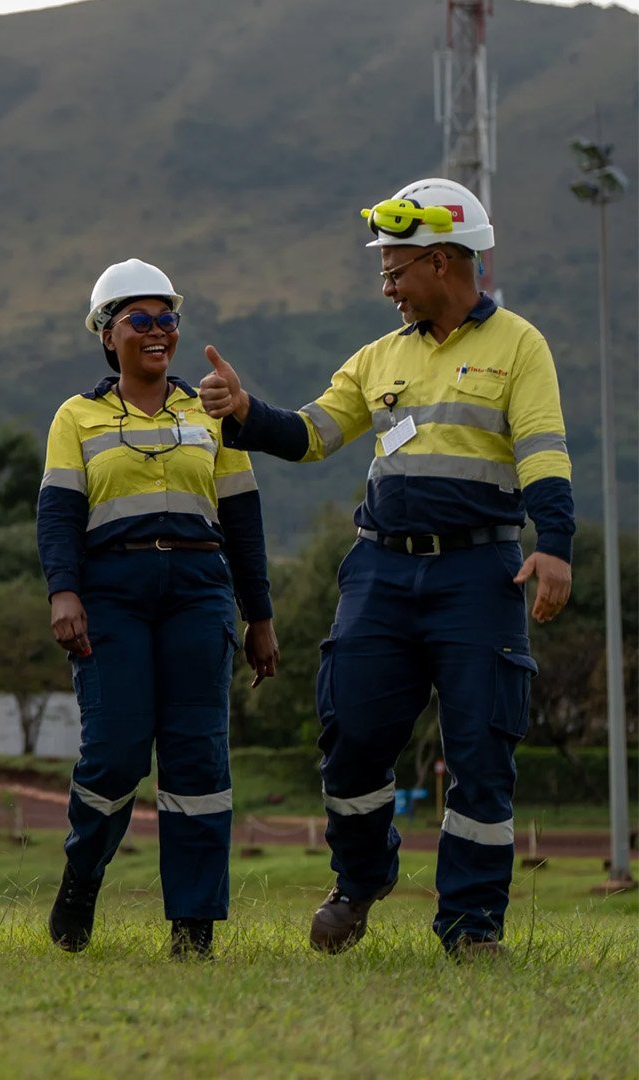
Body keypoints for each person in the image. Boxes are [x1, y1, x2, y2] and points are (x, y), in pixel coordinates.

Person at [198, 178, 573, 958]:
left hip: (481, 577)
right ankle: (361, 879)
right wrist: (241, 411)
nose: (387, 287)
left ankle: (471, 927)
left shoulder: (519, 346)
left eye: (396, 270)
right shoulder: (377, 358)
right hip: (380, 574)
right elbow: (309, 435)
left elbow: (543, 454)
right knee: (351, 736)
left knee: (480, 753)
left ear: (442, 261)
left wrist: (555, 545)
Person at [35, 260, 277, 960]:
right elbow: (57, 516)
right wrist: (64, 591)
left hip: (200, 587)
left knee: (198, 757)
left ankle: (193, 926)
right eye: (140, 320)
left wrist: (258, 615)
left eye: (168, 319)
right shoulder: (75, 417)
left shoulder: (211, 411)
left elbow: (243, 519)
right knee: (114, 752)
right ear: (107, 335)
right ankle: (82, 876)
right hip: (111, 588)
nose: (158, 331)